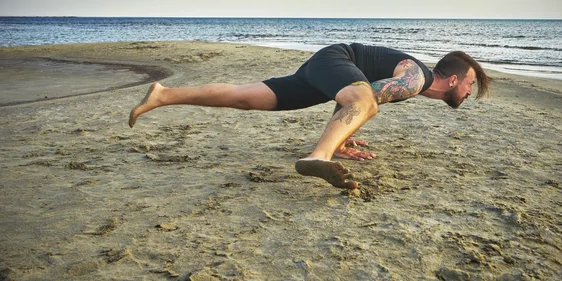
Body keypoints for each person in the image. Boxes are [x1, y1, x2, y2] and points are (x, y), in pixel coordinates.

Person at [129, 43, 490, 190]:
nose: (469, 93)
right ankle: (318, 157)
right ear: (454, 79)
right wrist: (336, 141)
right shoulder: (418, 77)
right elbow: (365, 98)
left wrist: (345, 136)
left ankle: (163, 94)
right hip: (336, 62)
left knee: (245, 97)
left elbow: (357, 95)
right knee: (367, 102)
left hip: (327, 71)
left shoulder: (415, 78)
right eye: (471, 84)